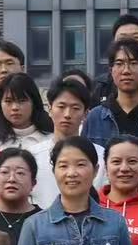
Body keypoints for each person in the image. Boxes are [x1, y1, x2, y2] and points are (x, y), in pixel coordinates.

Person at [83, 37, 138, 143]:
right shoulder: (95, 118)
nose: (126, 71)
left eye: (133, 63)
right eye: (119, 64)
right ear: (111, 71)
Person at [40, 78, 101, 210]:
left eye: (75, 108)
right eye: (61, 107)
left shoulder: (101, 155)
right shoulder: (33, 155)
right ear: (49, 109)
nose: (67, 114)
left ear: (86, 114)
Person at [0, 146, 41, 240]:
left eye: (20, 173)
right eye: (5, 172)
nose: (12, 179)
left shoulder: (44, 221)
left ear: (33, 183)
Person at [0, 73, 52, 158]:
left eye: (22, 101)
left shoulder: (51, 141)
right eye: (8, 101)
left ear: (34, 102)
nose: (15, 107)